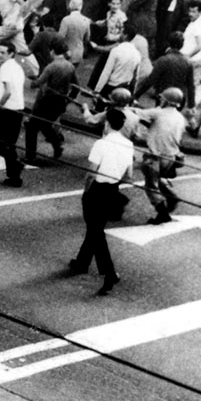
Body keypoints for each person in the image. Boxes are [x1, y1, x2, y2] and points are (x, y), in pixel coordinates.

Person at [67, 107, 132, 295]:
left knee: (96, 232)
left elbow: (91, 173)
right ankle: (82, 262)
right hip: (113, 189)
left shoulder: (101, 144)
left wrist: (86, 192)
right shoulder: (128, 144)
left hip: (97, 190)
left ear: (107, 123)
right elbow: (128, 174)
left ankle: (109, 272)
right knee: (96, 228)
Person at [135, 87, 186, 224]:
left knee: (150, 186)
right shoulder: (180, 117)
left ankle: (162, 214)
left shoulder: (158, 112)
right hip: (171, 157)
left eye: (162, 99)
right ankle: (170, 197)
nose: (160, 101)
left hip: (155, 157)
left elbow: (137, 113)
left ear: (167, 101)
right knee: (157, 179)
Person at [24, 38, 74, 163]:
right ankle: (57, 146)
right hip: (60, 101)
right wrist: (68, 100)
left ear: (52, 51)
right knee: (45, 125)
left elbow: (38, 83)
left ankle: (30, 156)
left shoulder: (51, 67)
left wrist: (26, 80)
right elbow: (77, 87)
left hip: (47, 101)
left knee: (31, 127)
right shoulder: (70, 66)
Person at [0, 43, 25, 187]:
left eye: (3, 52)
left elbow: (7, 92)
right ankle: (14, 177)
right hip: (18, 109)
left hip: (7, 110)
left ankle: (15, 164)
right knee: (10, 144)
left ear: (11, 54)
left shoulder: (6, 68)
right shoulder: (18, 68)